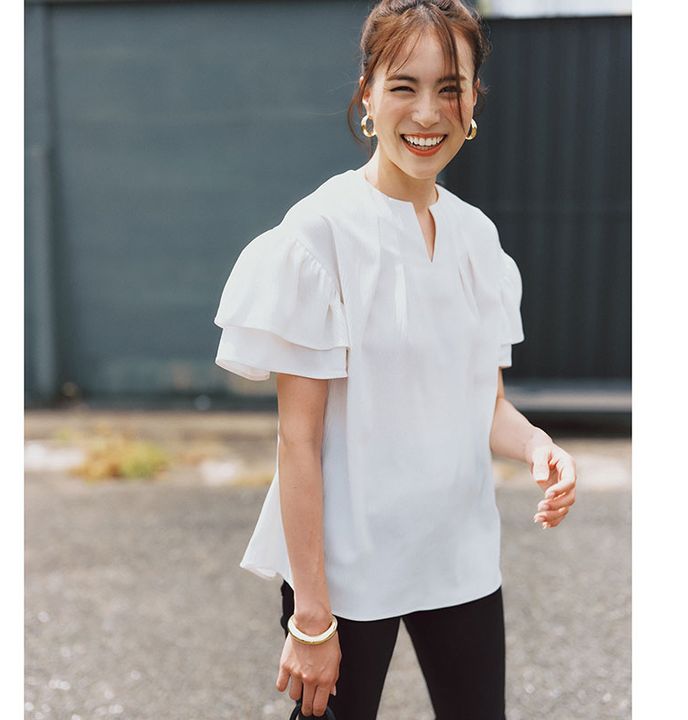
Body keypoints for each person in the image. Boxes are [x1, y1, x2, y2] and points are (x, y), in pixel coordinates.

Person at [213, 1, 578, 718]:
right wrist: (310, 616)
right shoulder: (320, 235)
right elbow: (298, 441)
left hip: (458, 553)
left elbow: (483, 405)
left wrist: (539, 446)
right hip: (346, 566)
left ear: (473, 101)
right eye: (404, 85)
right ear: (368, 94)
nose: (428, 113)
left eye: (450, 87)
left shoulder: (477, 239)